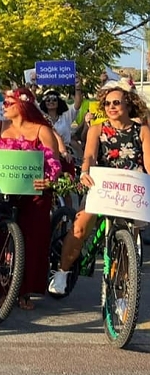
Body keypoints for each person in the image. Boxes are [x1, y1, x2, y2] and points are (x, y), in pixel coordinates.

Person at [49, 80, 150, 295]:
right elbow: (90, 156)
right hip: (103, 185)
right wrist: (85, 172)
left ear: (128, 104)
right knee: (80, 227)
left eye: (116, 102)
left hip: (132, 190)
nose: (111, 107)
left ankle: (122, 286)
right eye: (107, 103)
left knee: (130, 239)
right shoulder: (97, 129)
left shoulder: (142, 129)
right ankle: (62, 272)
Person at [0, 88, 60, 310]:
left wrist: (49, 180)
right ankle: (1, 288)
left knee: (33, 238)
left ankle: (25, 289)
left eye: (8, 103)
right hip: (4, 189)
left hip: (34, 192)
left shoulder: (42, 130)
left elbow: (54, 164)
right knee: (0, 236)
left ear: (23, 105)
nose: (4, 107)